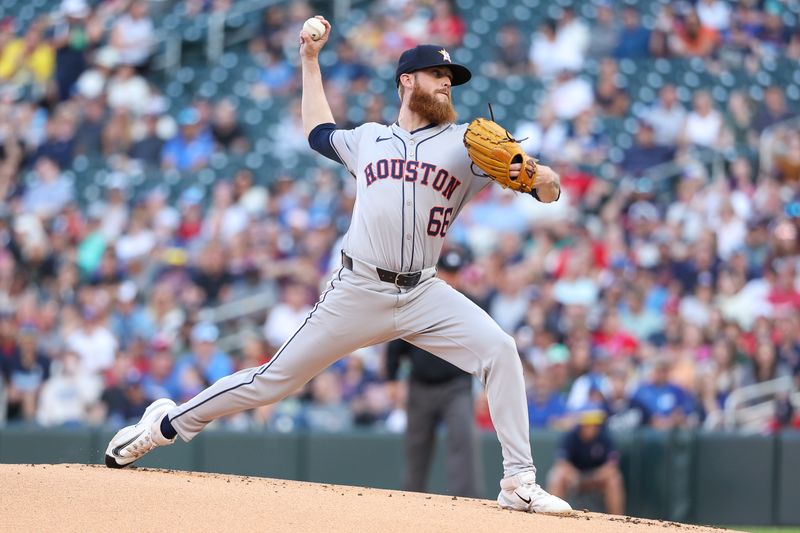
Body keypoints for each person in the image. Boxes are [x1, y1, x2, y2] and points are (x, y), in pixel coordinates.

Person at [104, 16, 571, 515]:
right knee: (271, 381)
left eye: (451, 79)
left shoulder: (468, 144)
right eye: (439, 76)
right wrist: (309, 61)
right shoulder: (368, 138)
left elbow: (550, 188)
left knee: (500, 348)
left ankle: (518, 480)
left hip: (423, 294)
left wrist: (535, 173)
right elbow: (318, 131)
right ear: (406, 81)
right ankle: (164, 425)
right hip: (359, 288)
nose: (447, 84)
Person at [385, 247, 480, 498]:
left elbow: (484, 348)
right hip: (420, 386)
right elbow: (396, 341)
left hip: (456, 386)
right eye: (446, 272)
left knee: (463, 444)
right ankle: (411, 505)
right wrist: (392, 379)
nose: (451, 278)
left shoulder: (470, 305)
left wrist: (487, 387)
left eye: (455, 272)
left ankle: (468, 508)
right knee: (416, 449)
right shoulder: (417, 301)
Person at [547, 408, 625, 515]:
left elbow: (612, 466)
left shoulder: (605, 438)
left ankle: (617, 520)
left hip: (597, 478)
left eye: (595, 424)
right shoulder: (570, 437)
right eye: (588, 424)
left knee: (614, 479)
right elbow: (561, 462)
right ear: (581, 425)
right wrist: (574, 475)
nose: (592, 428)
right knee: (557, 475)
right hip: (574, 477)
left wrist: (594, 477)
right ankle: (553, 516)